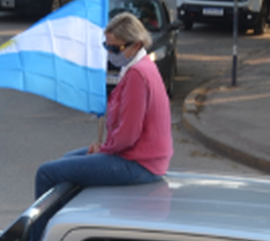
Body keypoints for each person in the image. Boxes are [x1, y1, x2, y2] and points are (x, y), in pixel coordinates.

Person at [33, 11, 172, 198]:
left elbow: (127, 136)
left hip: (139, 164)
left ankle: (42, 228)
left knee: (47, 173)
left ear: (136, 44)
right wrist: (104, 148)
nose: (110, 53)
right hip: (147, 161)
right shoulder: (143, 66)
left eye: (115, 48)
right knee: (66, 161)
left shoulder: (137, 76)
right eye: (107, 46)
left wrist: (103, 149)